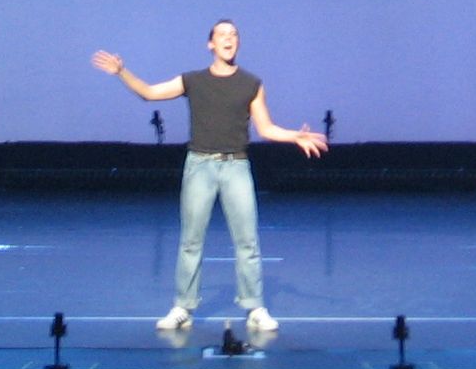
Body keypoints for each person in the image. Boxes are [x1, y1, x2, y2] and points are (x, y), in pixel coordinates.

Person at [93, 19, 327, 332]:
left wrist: (295, 136)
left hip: (236, 166)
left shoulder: (251, 83)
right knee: (191, 240)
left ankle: (255, 307)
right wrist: (122, 72)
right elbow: (149, 93)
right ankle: (183, 307)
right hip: (200, 165)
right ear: (210, 44)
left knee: (247, 241)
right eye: (222, 34)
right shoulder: (193, 80)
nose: (228, 39)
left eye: (234, 34)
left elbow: (266, 128)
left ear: (238, 43)